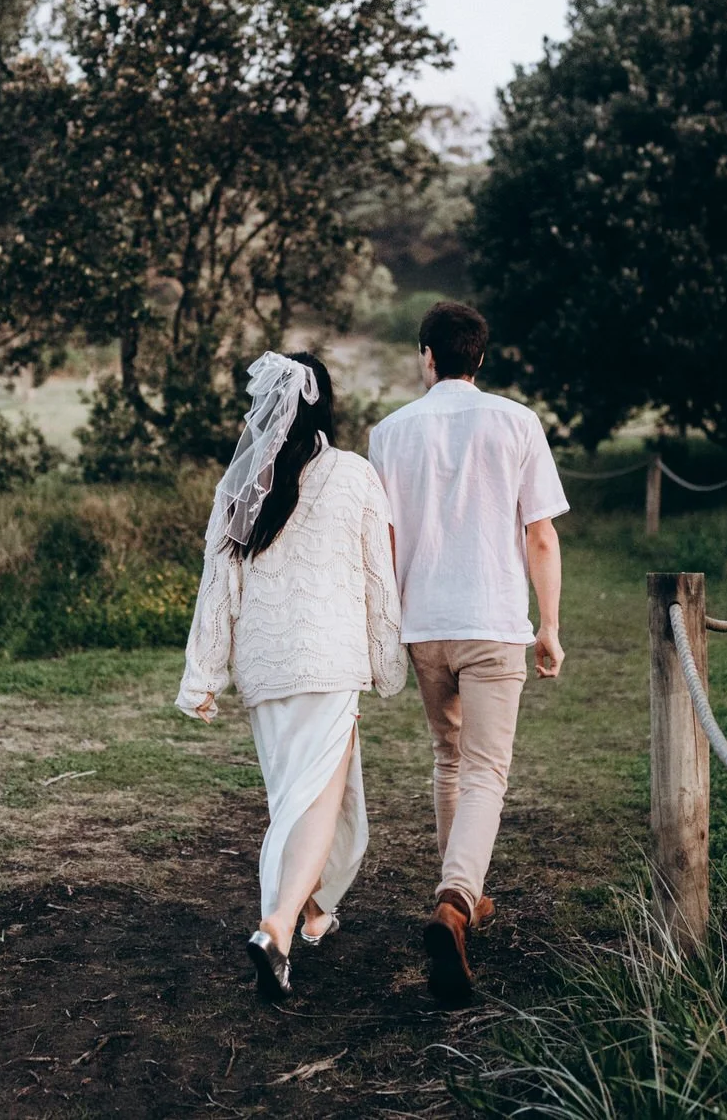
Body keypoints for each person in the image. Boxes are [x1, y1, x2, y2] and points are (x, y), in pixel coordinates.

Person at [177, 351, 407, 1002]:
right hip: (329, 663)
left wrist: (204, 676)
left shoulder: (241, 486)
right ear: (323, 404)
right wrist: (386, 659)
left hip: (265, 666)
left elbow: (217, 587)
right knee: (316, 802)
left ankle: (311, 913)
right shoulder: (354, 474)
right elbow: (378, 575)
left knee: (296, 799)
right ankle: (277, 925)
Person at [367, 301, 567, 1003]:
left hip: (424, 623)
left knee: (449, 757)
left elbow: (385, 541)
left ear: (427, 356)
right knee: (486, 770)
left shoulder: (389, 433)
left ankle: (465, 894)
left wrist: (385, 622)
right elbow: (540, 534)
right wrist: (549, 625)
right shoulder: (517, 422)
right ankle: (456, 900)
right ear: (479, 357)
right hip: (493, 622)